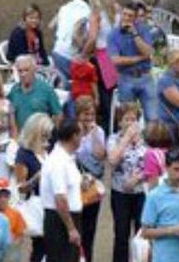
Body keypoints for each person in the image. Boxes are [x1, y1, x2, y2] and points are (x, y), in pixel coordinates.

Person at [107, 103, 148, 262]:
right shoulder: (113, 139)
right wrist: (126, 139)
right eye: (127, 119)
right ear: (120, 122)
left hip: (141, 193)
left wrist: (137, 179)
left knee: (141, 232)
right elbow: (112, 160)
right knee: (121, 234)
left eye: (134, 119)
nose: (131, 123)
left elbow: (153, 164)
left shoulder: (145, 139)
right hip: (120, 194)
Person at [40, 120, 83, 262]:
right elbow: (60, 199)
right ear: (74, 136)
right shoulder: (58, 161)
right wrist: (71, 228)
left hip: (67, 218)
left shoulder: (67, 159)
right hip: (60, 221)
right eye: (80, 134)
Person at [14, 114, 54, 262]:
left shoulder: (47, 149)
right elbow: (21, 188)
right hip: (37, 204)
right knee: (41, 246)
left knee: (50, 245)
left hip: (51, 202)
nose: (47, 137)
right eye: (44, 134)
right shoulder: (23, 154)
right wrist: (36, 178)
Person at [108, 2, 156, 121]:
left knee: (153, 117)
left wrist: (135, 35)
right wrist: (139, 58)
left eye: (130, 16)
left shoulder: (143, 30)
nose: (126, 18)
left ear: (135, 19)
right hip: (126, 78)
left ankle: (151, 139)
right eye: (124, 14)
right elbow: (116, 60)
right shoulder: (113, 34)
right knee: (128, 118)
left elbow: (148, 52)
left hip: (145, 76)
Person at [73, 99, 105, 262]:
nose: (89, 118)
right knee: (76, 227)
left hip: (93, 185)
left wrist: (92, 135)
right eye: (86, 114)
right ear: (78, 115)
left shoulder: (98, 131)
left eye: (92, 114)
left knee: (90, 228)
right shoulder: (72, 131)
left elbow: (100, 155)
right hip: (74, 186)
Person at [7, 55, 62, 129]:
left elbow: (58, 115)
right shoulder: (14, 90)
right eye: (20, 71)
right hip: (20, 137)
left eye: (26, 70)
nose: (23, 74)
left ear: (34, 70)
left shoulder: (46, 89)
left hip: (40, 137)